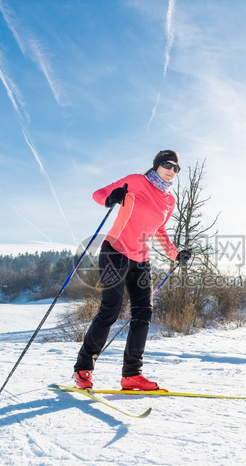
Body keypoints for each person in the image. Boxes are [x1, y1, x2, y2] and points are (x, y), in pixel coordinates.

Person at [73, 150, 192, 391]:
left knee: (143, 313)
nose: (171, 171)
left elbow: (160, 230)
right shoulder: (137, 181)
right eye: (167, 165)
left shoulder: (170, 200)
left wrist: (175, 254)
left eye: (175, 168)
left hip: (140, 259)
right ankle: (83, 369)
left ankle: (132, 375)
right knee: (111, 309)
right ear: (156, 166)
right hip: (114, 251)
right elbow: (99, 194)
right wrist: (111, 198)